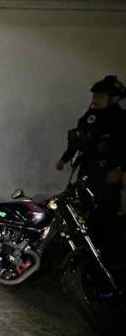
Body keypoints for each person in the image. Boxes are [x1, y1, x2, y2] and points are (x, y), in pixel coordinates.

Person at [56, 75, 125, 229]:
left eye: (100, 96)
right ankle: (87, 239)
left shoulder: (121, 119)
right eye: (94, 95)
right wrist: (64, 158)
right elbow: (79, 138)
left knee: (106, 209)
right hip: (87, 168)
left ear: (114, 98)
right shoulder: (91, 115)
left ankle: (105, 240)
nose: (95, 99)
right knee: (85, 204)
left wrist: (120, 169)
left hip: (108, 170)